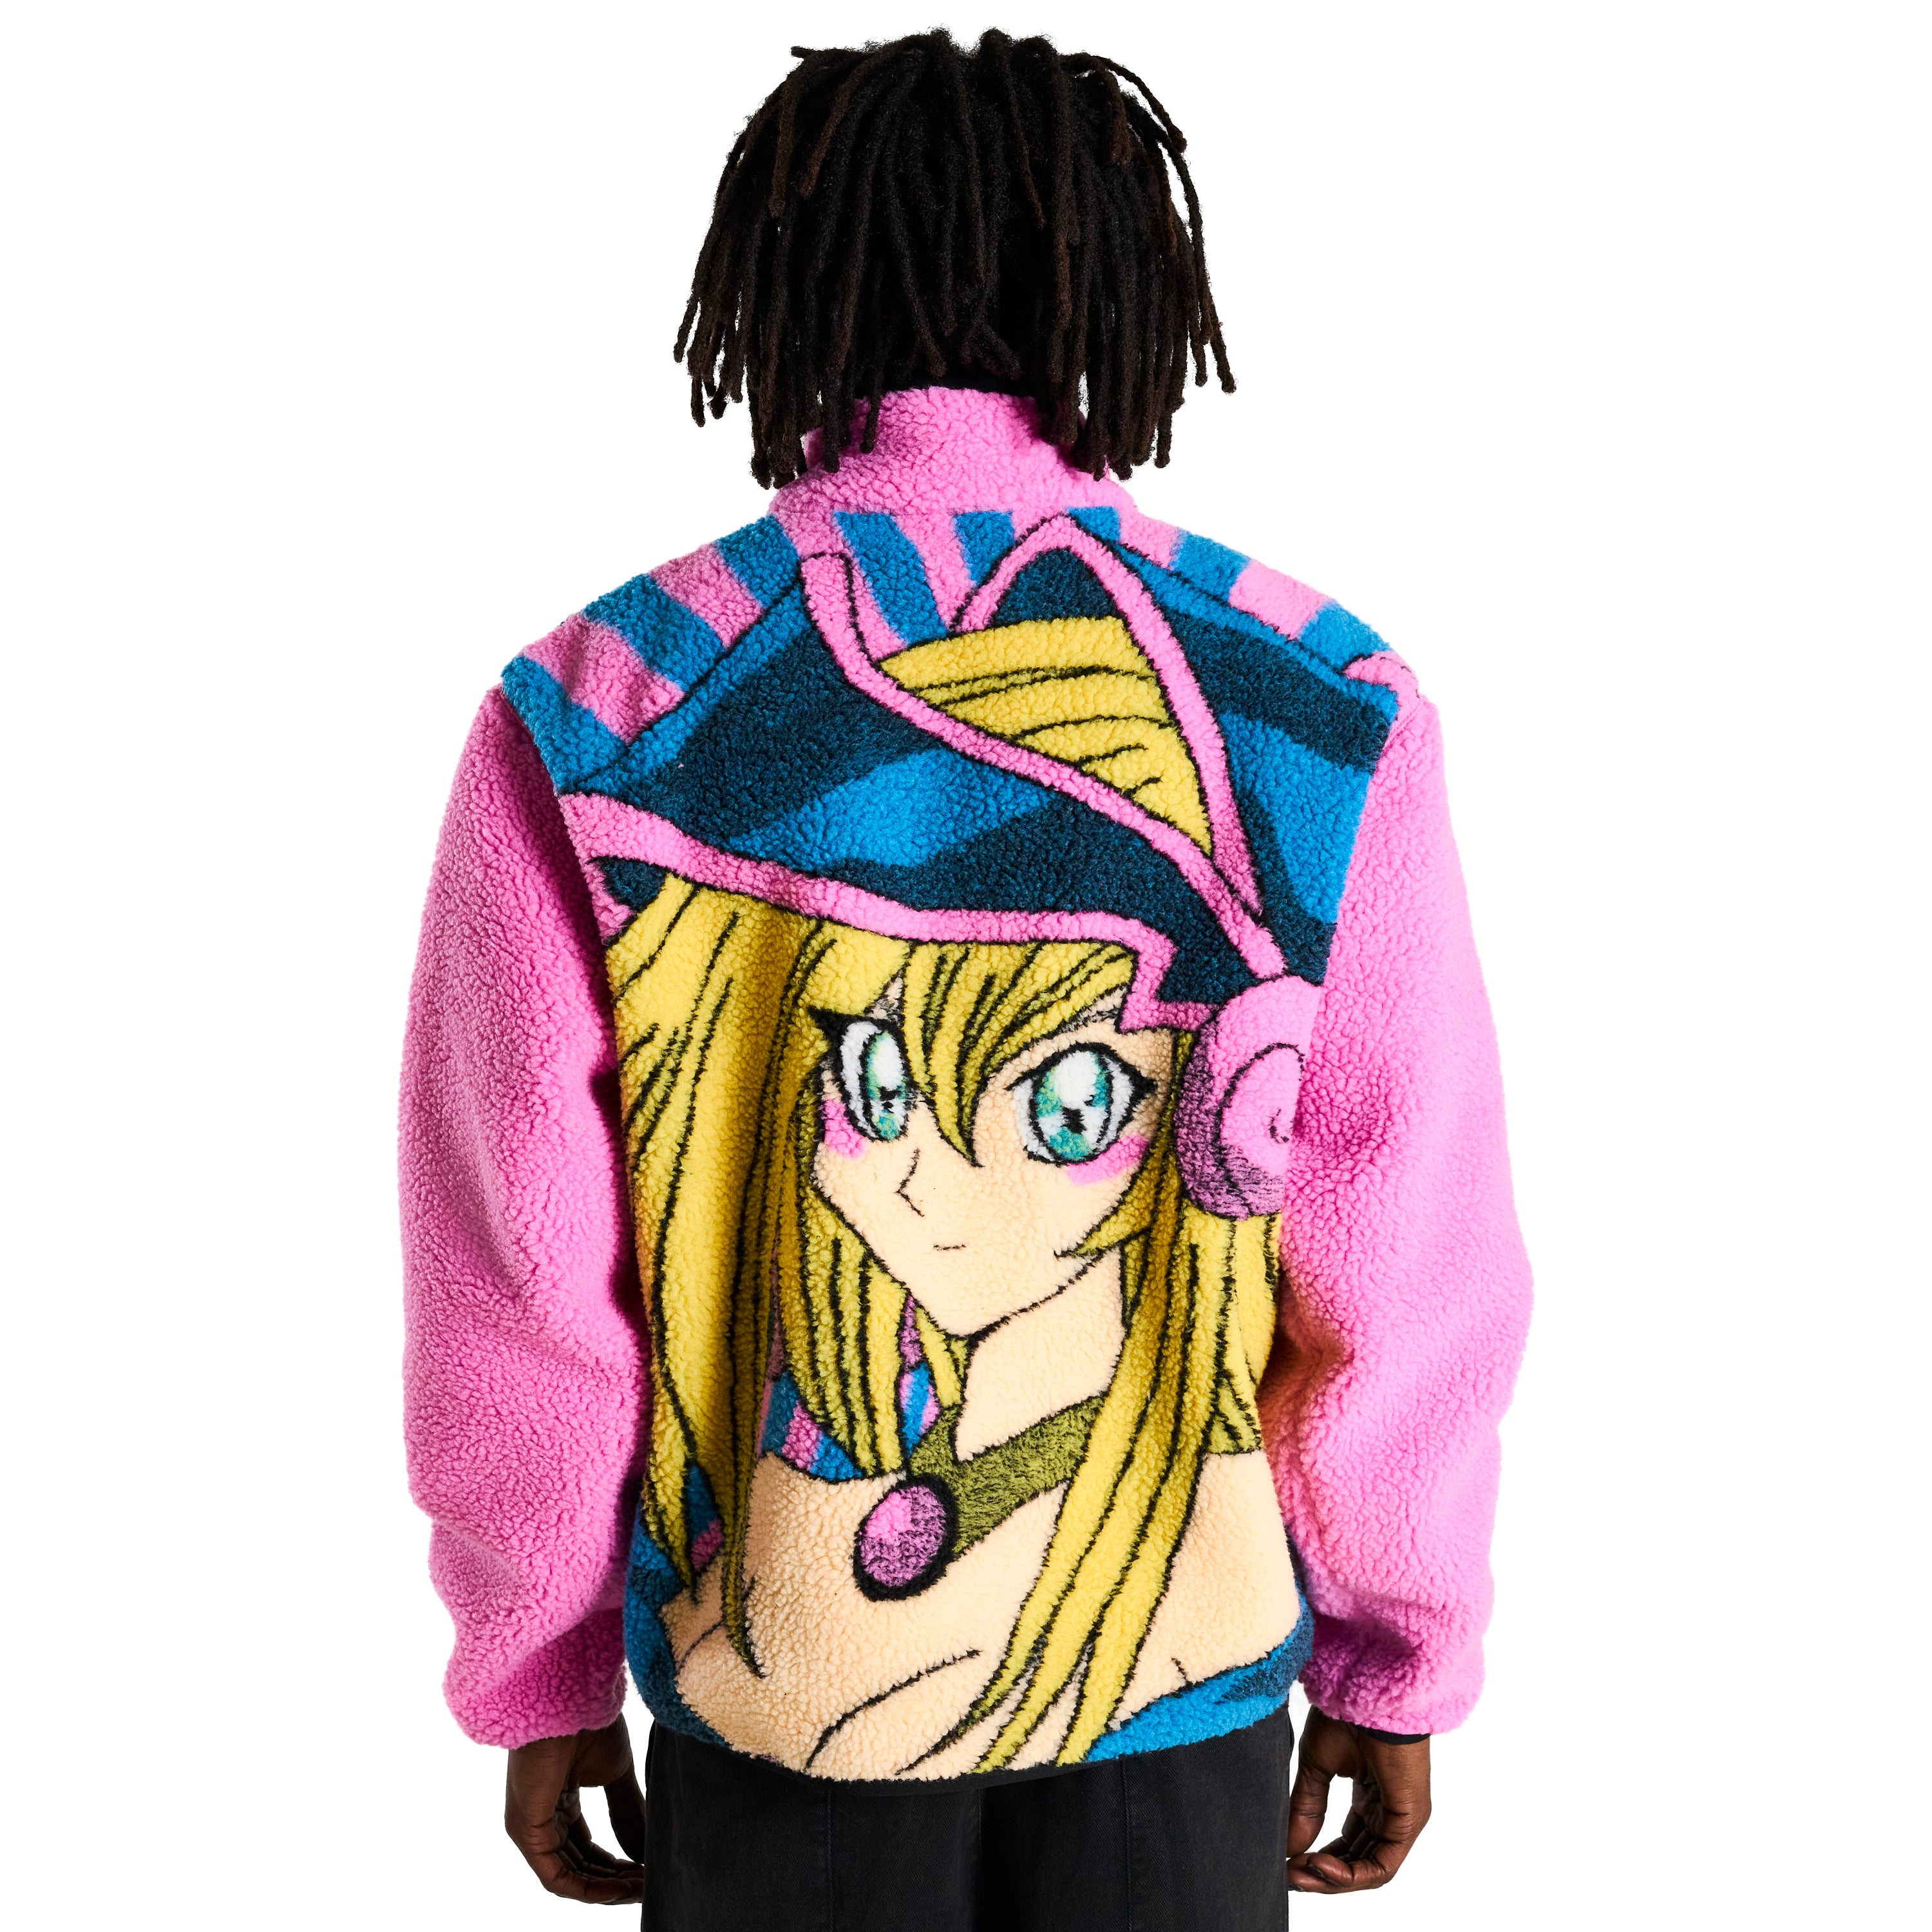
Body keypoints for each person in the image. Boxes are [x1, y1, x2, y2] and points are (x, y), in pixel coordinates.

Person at [401, 29, 1532, 1929]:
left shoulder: (599, 703)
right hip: (1185, 1701)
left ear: (777, 286)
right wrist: (1401, 1642)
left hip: (771, 1705)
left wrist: (540, 1658)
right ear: (1124, 295)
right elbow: (1401, 1237)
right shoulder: (1316, 697)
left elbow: (517, 1261)